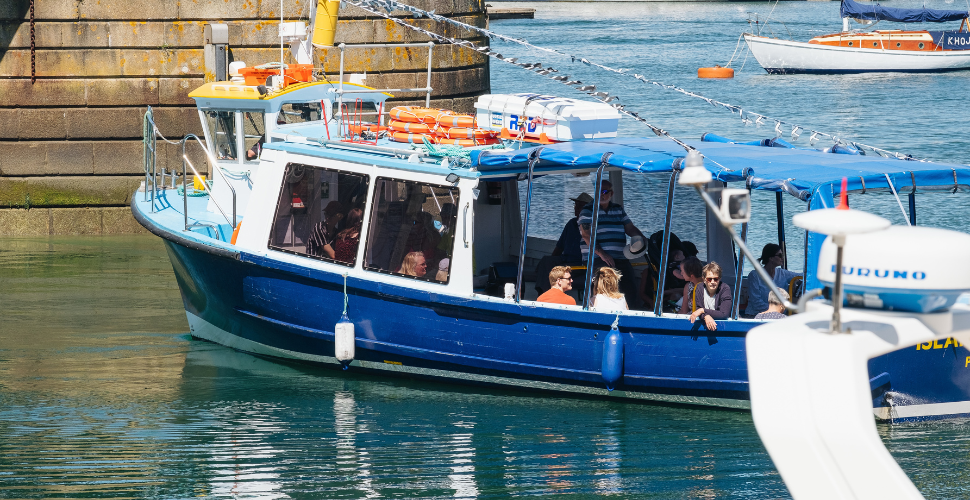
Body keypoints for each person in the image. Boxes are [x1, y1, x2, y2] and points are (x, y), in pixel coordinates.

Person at [578, 180, 647, 307]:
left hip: (620, 257)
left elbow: (629, 228)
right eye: (598, 191)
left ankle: (631, 314)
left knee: (629, 287)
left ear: (611, 193)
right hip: (597, 258)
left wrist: (642, 238)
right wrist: (602, 254)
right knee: (602, 290)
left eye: (604, 192)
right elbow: (586, 235)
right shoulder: (587, 211)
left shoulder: (618, 209)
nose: (601, 195)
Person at [536, 192, 594, 297]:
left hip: (579, 264)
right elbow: (559, 247)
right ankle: (542, 294)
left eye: (580, 206)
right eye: (576, 205)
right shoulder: (571, 223)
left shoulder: (592, 226)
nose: (576, 208)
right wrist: (551, 261)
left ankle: (547, 296)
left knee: (556, 269)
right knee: (546, 261)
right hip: (565, 259)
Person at [744, 244, 801, 317]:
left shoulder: (782, 273)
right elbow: (756, 302)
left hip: (777, 315)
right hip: (754, 315)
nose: (782, 258)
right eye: (780, 255)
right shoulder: (754, 275)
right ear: (771, 258)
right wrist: (774, 312)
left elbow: (803, 275)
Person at [688, 262, 732, 331]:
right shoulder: (699, 288)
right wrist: (706, 316)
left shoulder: (725, 289)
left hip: (724, 326)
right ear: (704, 279)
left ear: (719, 279)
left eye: (716, 279)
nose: (712, 282)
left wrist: (703, 310)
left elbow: (724, 314)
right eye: (709, 279)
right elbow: (698, 309)